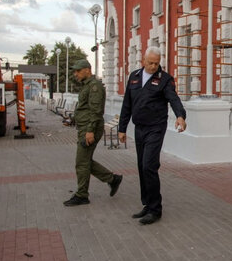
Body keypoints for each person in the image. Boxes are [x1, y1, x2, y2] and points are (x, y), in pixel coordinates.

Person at [118, 47, 187, 225]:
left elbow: (174, 99)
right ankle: (147, 204)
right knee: (141, 166)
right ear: (143, 61)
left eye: (156, 63)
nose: (153, 66)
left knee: (149, 165)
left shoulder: (164, 79)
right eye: (150, 63)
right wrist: (122, 128)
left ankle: (156, 209)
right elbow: (127, 104)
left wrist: (180, 116)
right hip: (139, 128)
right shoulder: (134, 77)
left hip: (156, 128)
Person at [63, 59, 123, 206]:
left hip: (90, 129)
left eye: (78, 70)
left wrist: (89, 131)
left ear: (87, 70)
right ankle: (112, 179)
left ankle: (82, 194)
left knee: (81, 162)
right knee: (84, 161)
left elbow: (96, 111)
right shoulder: (87, 86)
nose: (75, 73)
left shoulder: (94, 86)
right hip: (85, 127)